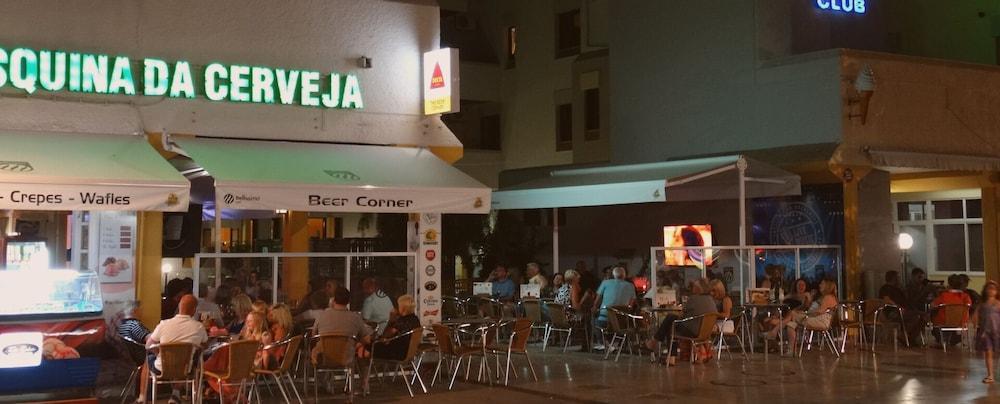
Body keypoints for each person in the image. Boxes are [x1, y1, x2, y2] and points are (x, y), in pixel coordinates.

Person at [138, 295, 207, 403]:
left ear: (179, 307)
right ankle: (175, 395)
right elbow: (204, 344)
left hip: (161, 368)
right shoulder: (198, 327)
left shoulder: (164, 324)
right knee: (187, 362)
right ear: (194, 310)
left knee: (147, 360)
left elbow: (148, 345)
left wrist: (159, 353)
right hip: (184, 369)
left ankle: (142, 398)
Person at [646, 279, 717, 365]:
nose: (692, 288)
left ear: (698, 289)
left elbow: (683, 315)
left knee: (671, 321)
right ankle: (659, 346)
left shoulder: (694, 299)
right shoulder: (711, 300)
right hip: (705, 332)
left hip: (692, 331)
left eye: (694, 286)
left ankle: (657, 344)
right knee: (671, 321)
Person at [312, 287, 374, 364]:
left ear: (333, 299)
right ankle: (364, 376)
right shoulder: (355, 318)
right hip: (345, 358)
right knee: (362, 349)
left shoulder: (322, 315)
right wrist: (357, 342)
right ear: (348, 301)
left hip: (323, 357)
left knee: (315, 349)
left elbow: (314, 336)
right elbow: (367, 338)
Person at [783, 279, 838, 355]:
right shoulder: (823, 297)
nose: (819, 285)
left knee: (792, 313)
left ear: (827, 286)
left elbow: (819, 312)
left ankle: (776, 330)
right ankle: (791, 350)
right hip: (814, 318)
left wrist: (807, 314)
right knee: (790, 324)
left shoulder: (828, 297)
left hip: (820, 321)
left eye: (822, 284)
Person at [592, 266, 637, 349]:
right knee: (627, 324)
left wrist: (595, 307)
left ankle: (602, 342)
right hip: (621, 321)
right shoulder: (631, 286)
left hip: (604, 318)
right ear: (624, 275)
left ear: (613, 274)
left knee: (593, 320)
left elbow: (597, 300)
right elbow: (631, 304)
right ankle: (617, 343)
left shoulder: (605, 283)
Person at [880, 270, 924, 344]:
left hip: (905, 310)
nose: (900, 279)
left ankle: (908, 337)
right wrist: (898, 307)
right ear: (894, 278)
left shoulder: (898, 289)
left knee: (924, 316)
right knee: (916, 317)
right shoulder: (885, 288)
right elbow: (886, 300)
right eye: (898, 277)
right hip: (893, 312)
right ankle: (905, 336)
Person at [372, 295, 421, 361]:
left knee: (368, 347)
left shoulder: (402, 321)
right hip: (409, 353)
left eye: (397, 306)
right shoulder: (415, 319)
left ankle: (363, 370)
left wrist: (391, 321)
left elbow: (386, 335)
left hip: (397, 353)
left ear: (403, 308)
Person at [931, 274, 973, 347]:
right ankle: (951, 339)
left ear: (949, 284)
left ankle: (942, 340)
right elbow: (969, 305)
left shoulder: (944, 295)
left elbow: (933, 305)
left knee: (934, 316)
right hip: (961, 322)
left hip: (944, 322)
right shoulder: (966, 296)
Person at [975, 281, 1000, 384]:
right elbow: (975, 316)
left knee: (997, 354)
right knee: (988, 353)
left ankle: (996, 373)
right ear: (985, 290)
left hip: (997, 332)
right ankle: (990, 375)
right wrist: (976, 323)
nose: (991, 291)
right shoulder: (982, 305)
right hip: (985, 333)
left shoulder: (998, 304)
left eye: (993, 289)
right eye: (989, 288)